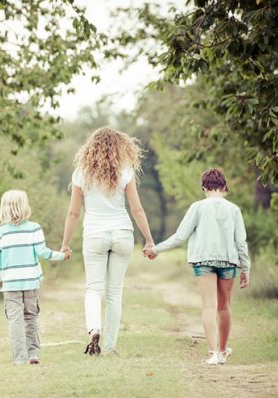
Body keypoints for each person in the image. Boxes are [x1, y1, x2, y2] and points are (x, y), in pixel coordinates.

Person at [60, 127, 155, 356]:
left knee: (94, 288)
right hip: (122, 233)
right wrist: (149, 240)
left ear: (90, 148)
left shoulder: (81, 174)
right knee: (114, 293)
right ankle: (110, 347)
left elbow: (73, 213)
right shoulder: (126, 172)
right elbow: (137, 209)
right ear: (120, 146)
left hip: (94, 234)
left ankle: (94, 327)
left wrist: (65, 243)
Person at [145, 168, 250, 365]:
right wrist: (246, 268)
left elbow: (180, 236)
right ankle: (222, 351)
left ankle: (214, 354)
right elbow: (241, 242)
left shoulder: (197, 207)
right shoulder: (233, 209)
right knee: (224, 306)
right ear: (224, 187)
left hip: (203, 262)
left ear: (204, 187)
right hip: (229, 262)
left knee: (209, 306)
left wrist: (156, 249)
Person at [0, 190, 70, 365]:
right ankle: (33, 353)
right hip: (31, 282)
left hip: (10, 284)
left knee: (15, 319)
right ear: (25, 206)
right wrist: (62, 256)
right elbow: (43, 252)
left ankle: (19, 358)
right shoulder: (34, 228)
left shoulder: (1, 233)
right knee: (31, 316)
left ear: (4, 208)